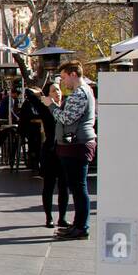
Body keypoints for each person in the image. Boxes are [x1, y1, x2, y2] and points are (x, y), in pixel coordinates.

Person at [40, 61, 96, 239]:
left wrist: (50, 104)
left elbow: (65, 118)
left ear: (73, 74)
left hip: (77, 144)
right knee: (77, 187)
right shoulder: (83, 92)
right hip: (75, 143)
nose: (63, 82)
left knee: (79, 187)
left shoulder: (80, 93)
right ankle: (79, 224)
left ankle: (81, 226)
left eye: (64, 78)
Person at [28, 83, 68, 229]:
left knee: (64, 185)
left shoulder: (67, 106)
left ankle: (62, 217)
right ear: (48, 95)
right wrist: (42, 96)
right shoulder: (45, 109)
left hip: (65, 149)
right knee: (49, 185)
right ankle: (49, 217)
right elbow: (29, 93)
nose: (57, 92)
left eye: (58, 89)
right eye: (53, 90)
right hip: (50, 150)